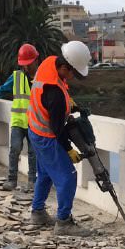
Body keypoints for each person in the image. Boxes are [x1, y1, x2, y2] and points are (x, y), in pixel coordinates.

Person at [27, 40, 92, 236]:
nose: (72, 77)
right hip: (46, 135)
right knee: (68, 177)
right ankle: (63, 222)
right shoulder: (54, 93)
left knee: (46, 174)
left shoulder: (50, 63)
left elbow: (56, 94)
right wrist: (68, 149)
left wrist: (73, 106)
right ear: (64, 67)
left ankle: (37, 213)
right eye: (72, 72)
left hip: (34, 130)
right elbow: (57, 128)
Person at [0, 43, 40, 191]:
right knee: (14, 149)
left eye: (28, 64)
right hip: (18, 121)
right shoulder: (16, 77)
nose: (26, 67)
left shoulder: (42, 77)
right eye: (24, 65)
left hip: (34, 123)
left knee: (34, 153)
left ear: (36, 61)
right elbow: (3, 89)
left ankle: (32, 181)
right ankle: (11, 180)